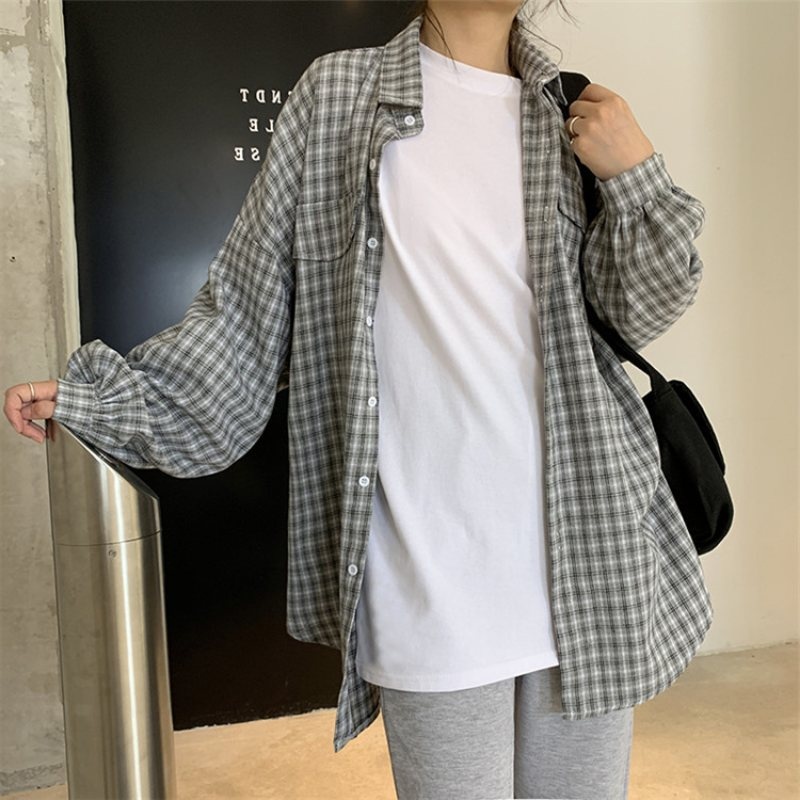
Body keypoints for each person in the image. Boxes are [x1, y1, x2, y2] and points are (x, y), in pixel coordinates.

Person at [5, 1, 713, 798]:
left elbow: (634, 314)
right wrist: (108, 400)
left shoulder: (573, 112)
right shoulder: (339, 96)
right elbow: (246, 310)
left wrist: (634, 173)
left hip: (588, 550)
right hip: (428, 564)